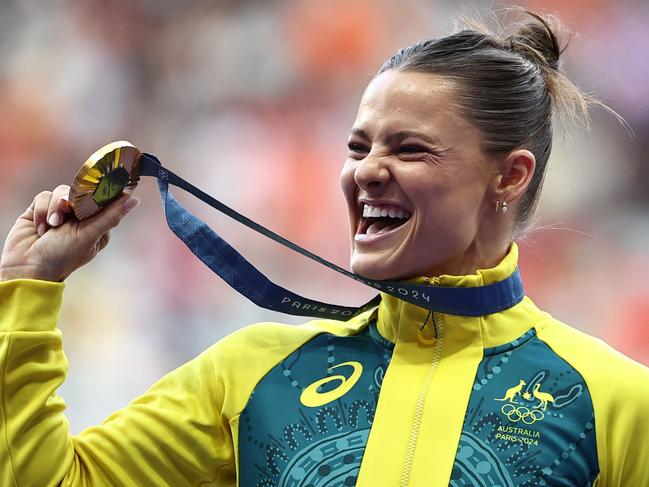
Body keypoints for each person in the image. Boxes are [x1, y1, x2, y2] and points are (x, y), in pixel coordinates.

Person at [1, 9, 648, 487]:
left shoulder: (612, 400)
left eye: (409, 147)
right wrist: (27, 291)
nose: (365, 170)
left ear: (508, 176)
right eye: (358, 146)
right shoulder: (250, 373)